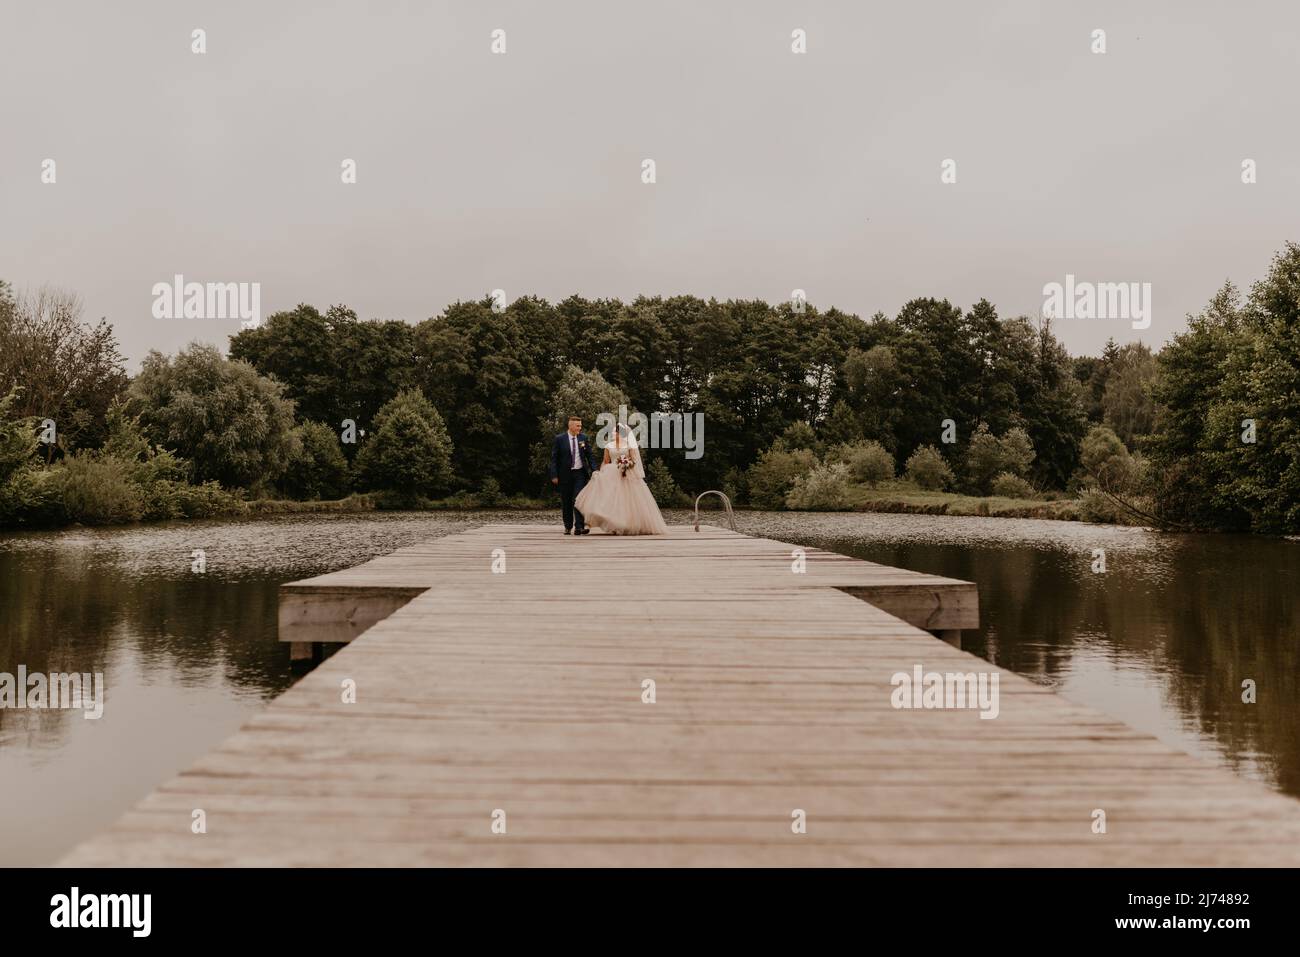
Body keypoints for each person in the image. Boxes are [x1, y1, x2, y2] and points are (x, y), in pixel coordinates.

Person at [575, 423, 669, 535]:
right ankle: (613, 524)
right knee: (610, 499)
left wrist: (628, 464)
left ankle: (629, 524)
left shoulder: (629, 446)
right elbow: (605, 461)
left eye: (616, 432)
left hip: (627, 474)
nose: (613, 434)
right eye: (613, 432)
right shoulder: (609, 446)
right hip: (611, 473)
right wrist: (600, 473)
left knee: (629, 501)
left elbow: (634, 460)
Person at [549, 416, 597, 535]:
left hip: (579, 474)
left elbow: (589, 455)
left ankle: (579, 527)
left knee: (578, 499)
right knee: (566, 502)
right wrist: (554, 475)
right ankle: (568, 526)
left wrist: (595, 470)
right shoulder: (559, 439)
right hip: (564, 475)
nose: (579, 428)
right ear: (570, 426)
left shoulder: (583, 438)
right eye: (577, 426)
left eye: (580, 426)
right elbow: (554, 459)